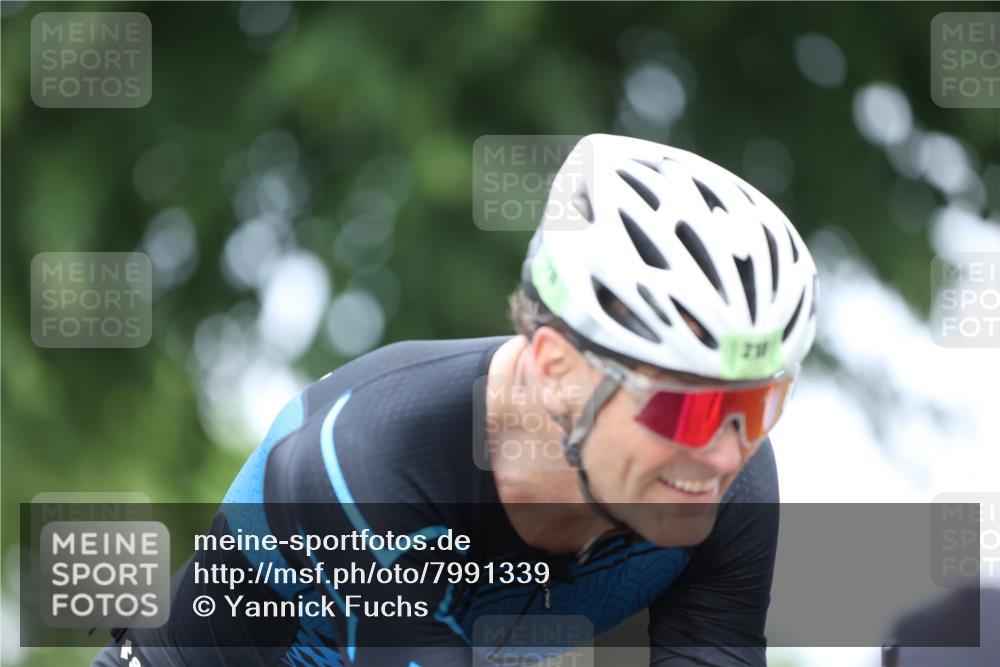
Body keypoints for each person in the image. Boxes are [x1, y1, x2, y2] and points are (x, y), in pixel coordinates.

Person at [92, 133, 818, 666]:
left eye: (757, 408)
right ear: (557, 367)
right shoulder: (367, 463)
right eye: (685, 408)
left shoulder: (737, 479)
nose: (724, 452)